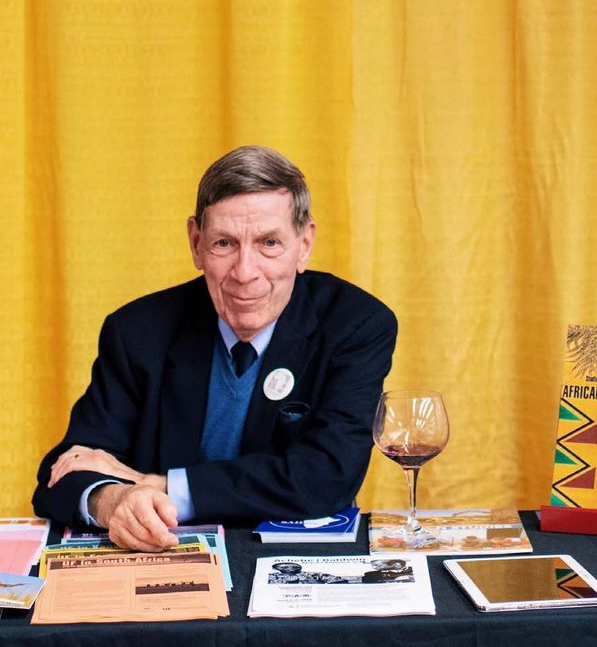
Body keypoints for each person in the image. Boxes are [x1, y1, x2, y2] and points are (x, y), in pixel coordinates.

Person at [33, 146, 397, 551]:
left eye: (269, 243)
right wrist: (111, 499)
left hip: (300, 559)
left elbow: (325, 477)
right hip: (167, 556)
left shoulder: (356, 325)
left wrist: (156, 484)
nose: (245, 272)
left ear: (304, 244)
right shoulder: (137, 331)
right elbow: (65, 471)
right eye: (224, 243)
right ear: (195, 242)